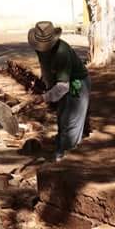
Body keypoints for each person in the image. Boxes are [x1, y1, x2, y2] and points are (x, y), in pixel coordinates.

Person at [28, 21, 91, 162]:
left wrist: (44, 97)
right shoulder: (39, 48)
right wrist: (46, 86)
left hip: (76, 84)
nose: (41, 48)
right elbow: (46, 68)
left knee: (71, 122)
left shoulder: (61, 53)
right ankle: (61, 149)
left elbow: (63, 86)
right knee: (62, 118)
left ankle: (66, 159)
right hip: (60, 84)